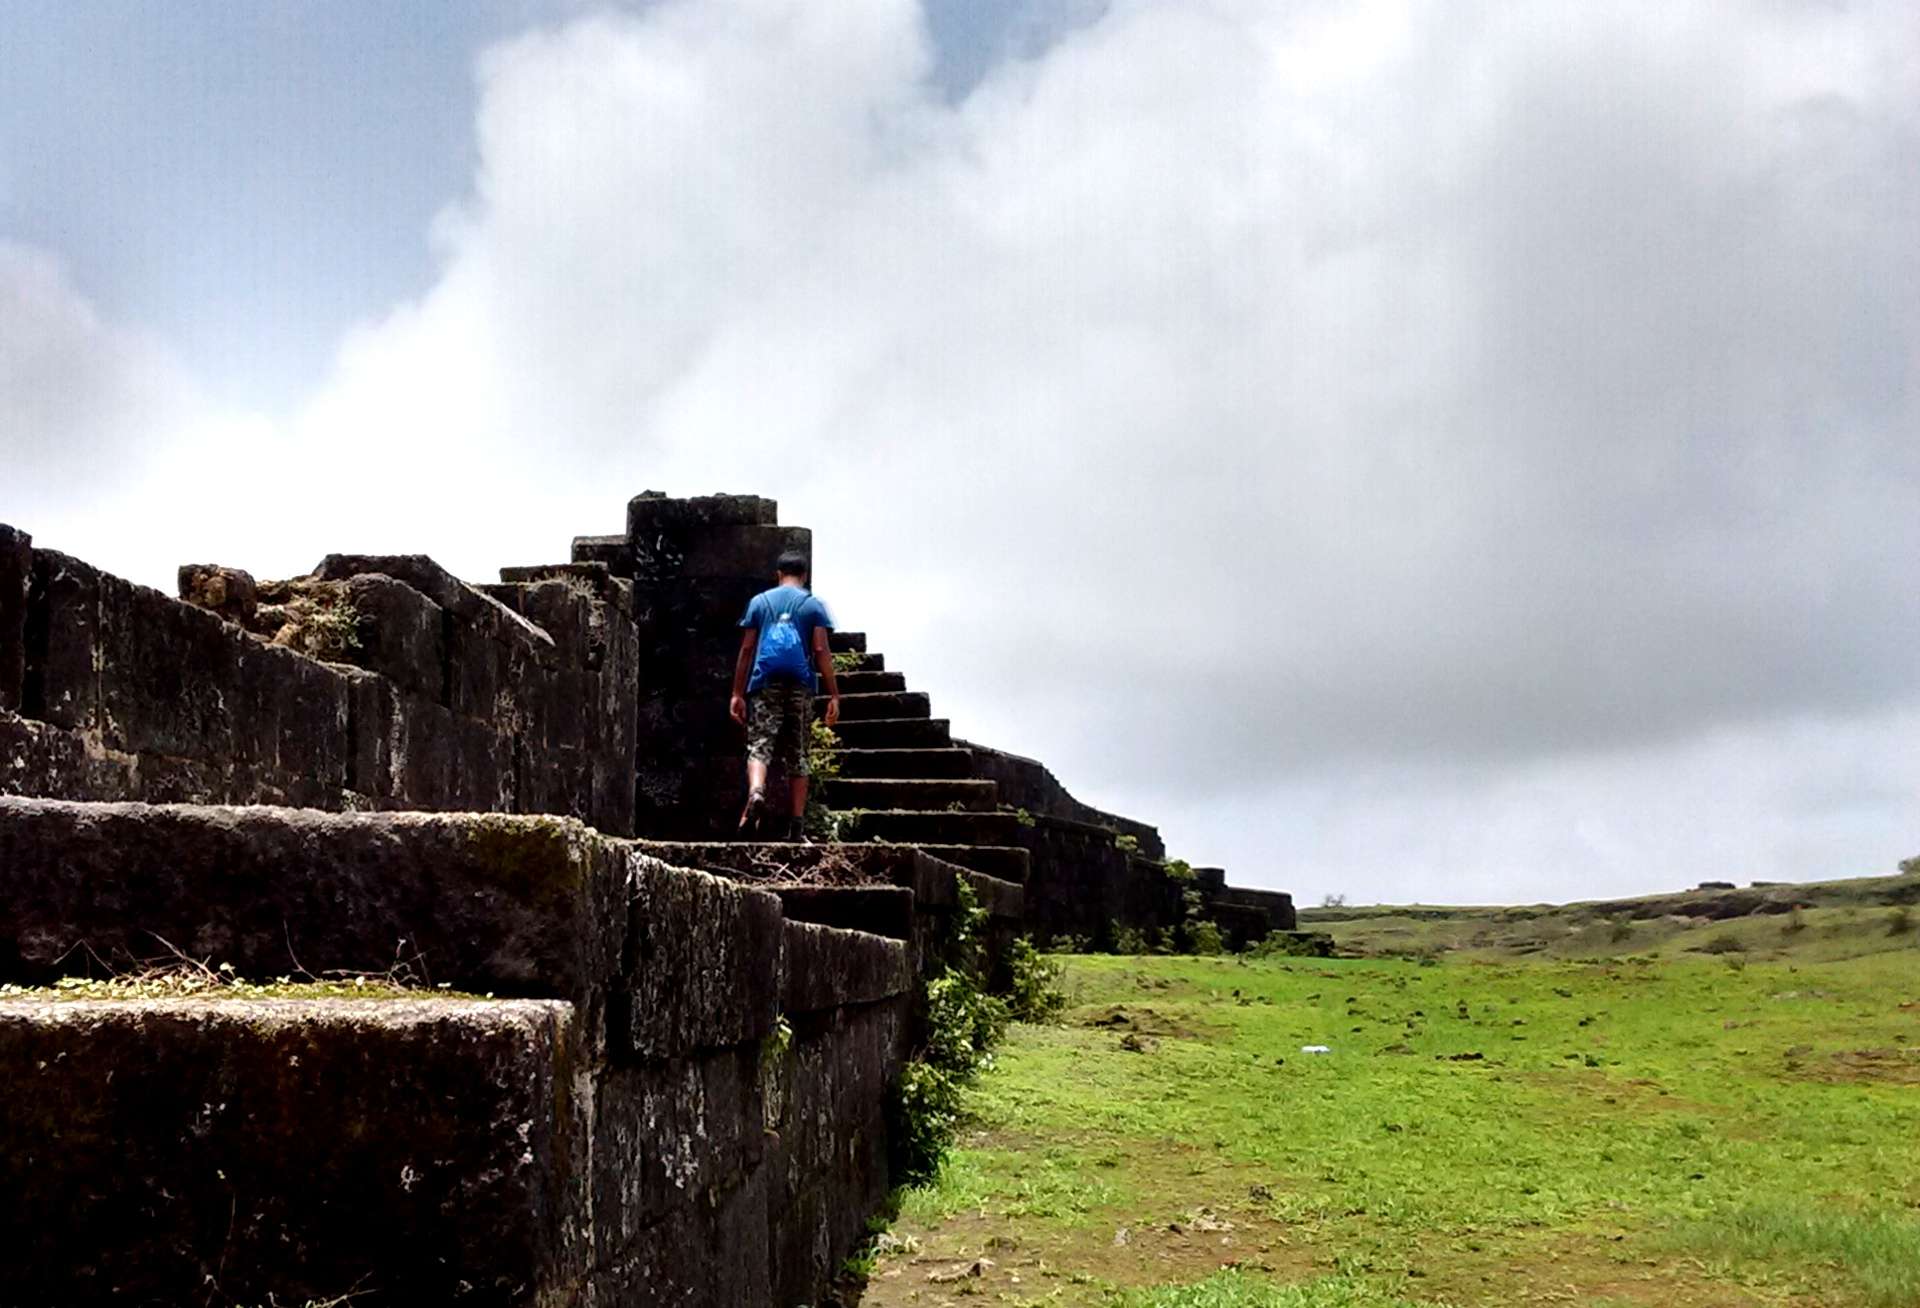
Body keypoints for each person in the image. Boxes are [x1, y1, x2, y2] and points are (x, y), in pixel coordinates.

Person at [729, 550, 840, 839]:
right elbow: (820, 649)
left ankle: (756, 791)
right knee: (798, 752)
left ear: (778, 574)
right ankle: (797, 826)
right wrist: (833, 694)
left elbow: (747, 649)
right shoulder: (813, 605)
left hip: (765, 681)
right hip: (800, 682)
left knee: (759, 746)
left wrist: (737, 693)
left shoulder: (759, 602)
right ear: (804, 576)